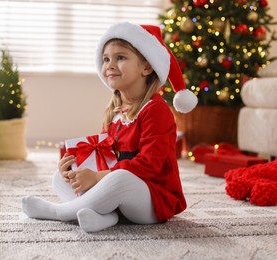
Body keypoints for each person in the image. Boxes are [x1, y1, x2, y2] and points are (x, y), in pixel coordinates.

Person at [22, 22, 198, 232]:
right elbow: (106, 157)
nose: (110, 65)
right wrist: (75, 169)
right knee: (59, 178)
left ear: (147, 67)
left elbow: (148, 165)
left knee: (121, 178)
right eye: (106, 59)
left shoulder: (156, 111)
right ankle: (105, 218)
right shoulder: (115, 110)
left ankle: (60, 213)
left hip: (152, 199)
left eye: (120, 57)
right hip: (120, 192)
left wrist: (97, 177)